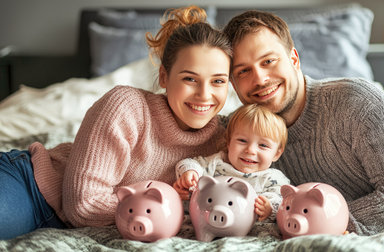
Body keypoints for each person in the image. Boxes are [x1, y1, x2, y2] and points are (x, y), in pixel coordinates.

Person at [0, 6, 232, 240]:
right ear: (164, 77)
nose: (204, 94)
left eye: (218, 81)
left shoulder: (228, 139)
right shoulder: (127, 106)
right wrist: (166, 211)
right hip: (32, 187)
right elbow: (83, 205)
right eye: (190, 79)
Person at [222, 10, 384, 235]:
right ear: (232, 82)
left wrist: (314, 222)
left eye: (269, 61)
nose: (260, 79)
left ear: (293, 59)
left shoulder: (355, 100)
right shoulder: (240, 137)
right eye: (243, 71)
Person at [173, 104, 290, 221]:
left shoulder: (272, 178)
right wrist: (190, 173)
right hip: (209, 222)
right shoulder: (217, 163)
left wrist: (270, 208)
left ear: (276, 154)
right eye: (242, 141)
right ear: (229, 142)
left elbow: (286, 202)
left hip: (250, 231)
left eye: (263, 145)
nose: (250, 150)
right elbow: (191, 163)